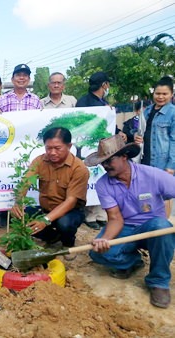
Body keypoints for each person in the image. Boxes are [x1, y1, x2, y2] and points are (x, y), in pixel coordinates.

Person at [85, 135, 175, 309]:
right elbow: (115, 218)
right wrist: (106, 240)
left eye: (109, 160)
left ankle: (158, 282)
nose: (105, 166)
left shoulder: (152, 175)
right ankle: (133, 261)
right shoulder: (103, 184)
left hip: (153, 228)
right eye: (103, 162)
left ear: (124, 157)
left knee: (163, 226)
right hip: (126, 227)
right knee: (98, 253)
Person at [10, 127, 89, 248]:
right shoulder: (40, 161)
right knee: (19, 215)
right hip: (46, 208)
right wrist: (18, 202)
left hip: (69, 211)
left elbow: (71, 201)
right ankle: (52, 237)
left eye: (57, 148)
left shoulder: (79, 168)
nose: (52, 152)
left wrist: (45, 220)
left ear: (69, 146)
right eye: (48, 148)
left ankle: (68, 244)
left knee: (65, 224)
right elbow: (26, 181)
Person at [76, 71, 125, 230]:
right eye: (107, 84)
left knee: (102, 177)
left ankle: (101, 214)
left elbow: (108, 124)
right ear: (104, 84)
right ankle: (90, 214)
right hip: (88, 147)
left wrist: (118, 132)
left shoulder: (103, 103)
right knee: (90, 178)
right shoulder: (84, 102)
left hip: (104, 148)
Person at [135, 76, 175, 217]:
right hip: (145, 160)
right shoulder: (147, 111)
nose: (161, 97)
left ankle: (163, 226)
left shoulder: (172, 113)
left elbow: (174, 141)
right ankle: (149, 223)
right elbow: (140, 131)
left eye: (165, 94)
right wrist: (136, 136)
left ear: (171, 94)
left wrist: (171, 166)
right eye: (158, 93)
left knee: (164, 196)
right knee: (146, 194)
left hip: (162, 162)